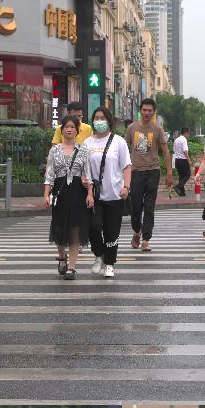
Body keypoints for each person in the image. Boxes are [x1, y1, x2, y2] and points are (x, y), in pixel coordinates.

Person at [84, 106, 131, 279]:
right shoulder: (87, 143)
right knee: (94, 228)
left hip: (114, 193)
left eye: (102, 118)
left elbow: (126, 166)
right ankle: (99, 255)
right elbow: (85, 169)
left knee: (112, 231)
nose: (99, 121)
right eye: (96, 118)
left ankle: (110, 263)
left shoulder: (118, 141)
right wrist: (87, 187)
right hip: (94, 195)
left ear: (109, 120)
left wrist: (126, 187)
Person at [43, 115, 91, 280]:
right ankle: (62, 257)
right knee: (59, 227)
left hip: (78, 191)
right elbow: (49, 174)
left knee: (75, 229)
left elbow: (88, 174)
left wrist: (90, 193)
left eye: (72, 127)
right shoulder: (54, 150)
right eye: (66, 127)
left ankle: (71, 267)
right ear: (61, 129)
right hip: (59, 191)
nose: (69, 129)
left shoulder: (83, 149)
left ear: (77, 130)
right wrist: (46, 194)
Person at [126, 98, 170, 253]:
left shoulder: (158, 130)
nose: (146, 113)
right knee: (136, 206)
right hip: (135, 172)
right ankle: (136, 231)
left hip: (153, 171)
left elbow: (165, 151)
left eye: (149, 110)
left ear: (153, 112)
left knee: (149, 207)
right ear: (140, 111)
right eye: (144, 110)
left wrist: (169, 173)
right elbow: (125, 151)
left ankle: (146, 239)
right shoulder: (132, 128)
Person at [172, 127, 191, 197]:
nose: (189, 135)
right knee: (187, 175)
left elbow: (174, 151)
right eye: (188, 134)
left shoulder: (176, 140)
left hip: (177, 160)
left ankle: (182, 192)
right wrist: (189, 160)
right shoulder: (184, 140)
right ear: (186, 133)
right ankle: (178, 186)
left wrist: (173, 162)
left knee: (181, 176)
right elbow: (185, 150)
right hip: (183, 160)